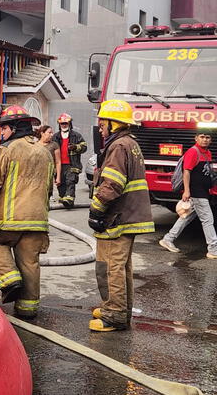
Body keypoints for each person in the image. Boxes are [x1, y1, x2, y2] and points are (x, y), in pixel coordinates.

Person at [0, 106, 52, 319]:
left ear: (14, 128)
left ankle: (9, 278)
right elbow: (49, 188)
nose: (1, 133)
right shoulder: (44, 151)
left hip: (8, 219)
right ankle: (27, 309)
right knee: (30, 262)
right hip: (37, 220)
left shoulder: (8, 149)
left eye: (4, 128)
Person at [88, 99, 154, 332]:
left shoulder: (118, 146)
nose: (101, 127)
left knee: (110, 266)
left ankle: (114, 315)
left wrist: (96, 208)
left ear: (113, 123)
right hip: (129, 214)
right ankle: (118, 308)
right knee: (122, 266)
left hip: (118, 216)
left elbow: (112, 184)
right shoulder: (129, 143)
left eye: (103, 122)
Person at [159, 128, 217, 259]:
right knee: (208, 220)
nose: (205, 139)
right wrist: (186, 191)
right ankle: (213, 249)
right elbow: (187, 172)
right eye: (202, 137)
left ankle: (168, 239)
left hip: (203, 191)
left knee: (186, 217)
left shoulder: (208, 153)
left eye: (207, 137)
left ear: (211, 140)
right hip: (196, 192)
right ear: (196, 138)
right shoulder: (193, 152)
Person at [53, 113, 87, 208]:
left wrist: (75, 147)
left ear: (69, 124)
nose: (64, 125)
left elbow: (84, 146)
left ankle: (69, 199)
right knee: (61, 183)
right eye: (62, 124)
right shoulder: (55, 137)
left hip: (72, 164)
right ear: (59, 125)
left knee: (70, 181)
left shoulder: (76, 136)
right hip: (59, 165)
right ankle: (64, 198)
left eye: (66, 123)